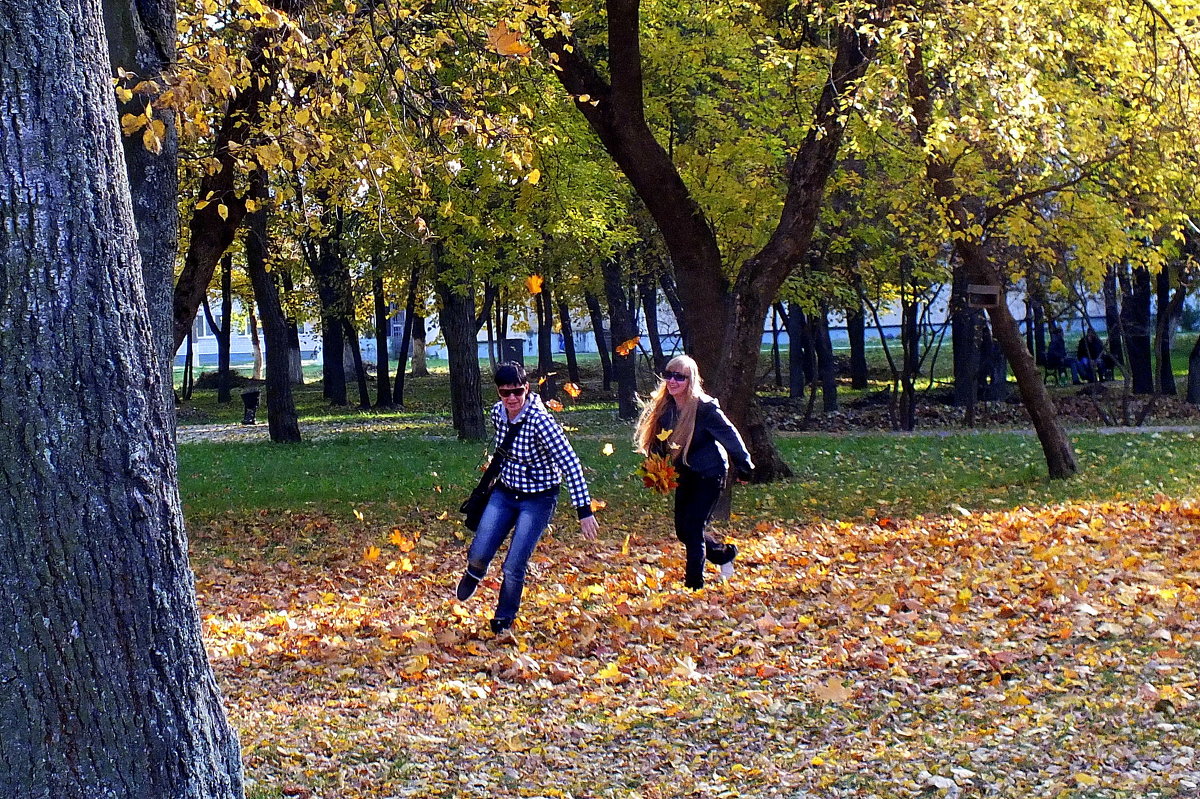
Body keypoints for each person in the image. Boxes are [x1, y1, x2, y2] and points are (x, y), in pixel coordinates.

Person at [454, 362, 599, 634]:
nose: (511, 398)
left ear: (527, 389)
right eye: (504, 392)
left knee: (514, 564)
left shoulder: (542, 422)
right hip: (506, 492)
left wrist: (584, 509)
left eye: (517, 392)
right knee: (480, 550)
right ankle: (474, 572)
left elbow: (570, 463)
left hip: (538, 499)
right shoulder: (498, 413)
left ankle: (504, 616)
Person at [634, 355, 754, 590]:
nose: (673, 381)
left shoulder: (705, 408)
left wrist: (745, 466)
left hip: (710, 474)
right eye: (669, 375)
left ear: (691, 380)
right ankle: (724, 555)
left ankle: (694, 586)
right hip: (685, 474)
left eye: (680, 377)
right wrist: (656, 469)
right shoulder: (665, 408)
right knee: (683, 530)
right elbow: (659, 442)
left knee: (694, 528)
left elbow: (730, 436)